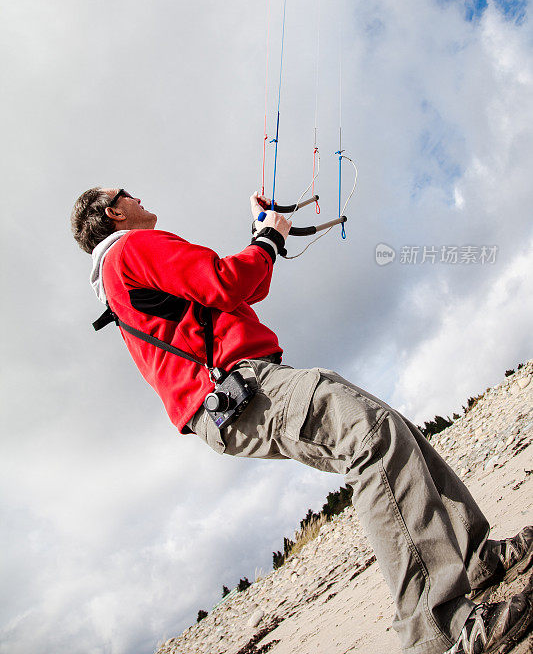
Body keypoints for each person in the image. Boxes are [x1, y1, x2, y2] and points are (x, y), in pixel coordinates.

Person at [71, 186, 533, 654]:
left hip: (233, 400)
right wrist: (268, 236)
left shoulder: (115, 274)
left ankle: (476, 562)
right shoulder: (131, 247)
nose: (139, 195)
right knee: (372, 439)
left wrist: (264, 235)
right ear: (113, 213)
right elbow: (225, 282)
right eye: (126, 194)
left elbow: (246, 288)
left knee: (388, 429)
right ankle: (441, 631)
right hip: (240, 388)